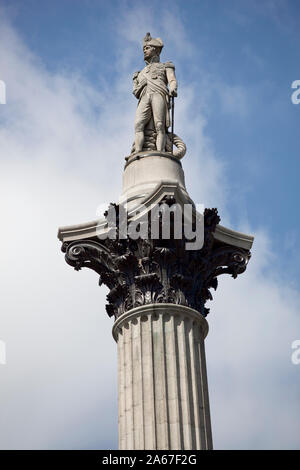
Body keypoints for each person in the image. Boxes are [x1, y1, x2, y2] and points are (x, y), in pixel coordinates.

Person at [133, 33, 177, 153]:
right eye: (144, 49)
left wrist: (173, 88)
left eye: (147, 48)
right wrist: (140, 85)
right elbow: (135, 91)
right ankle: (137, 151)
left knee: (159, 125)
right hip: (144, 97)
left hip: (158, 94)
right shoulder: (140, 73)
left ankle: (161, 151)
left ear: (155, 49)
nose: (144, 51)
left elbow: (172, 79)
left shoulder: (165, 66)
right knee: (138, 125)